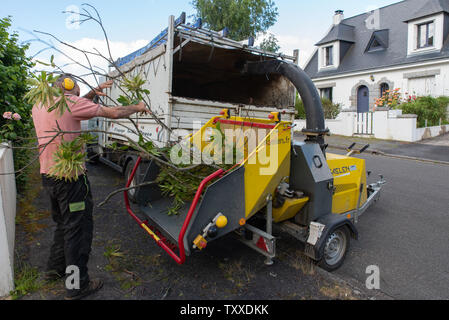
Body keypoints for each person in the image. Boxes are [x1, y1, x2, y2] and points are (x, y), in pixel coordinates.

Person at [32, 74, 149, 300]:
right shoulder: (72, 102)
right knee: (77, 232)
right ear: (68, 86)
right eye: (77, 87)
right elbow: (114, 113)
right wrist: (138, 106)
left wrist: (93, 92)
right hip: (71, 181)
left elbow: (73, 106)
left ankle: (53, 271)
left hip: (49, 177)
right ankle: (76, 286)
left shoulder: (41, 102)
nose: (78, 91)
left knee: (63, 226)